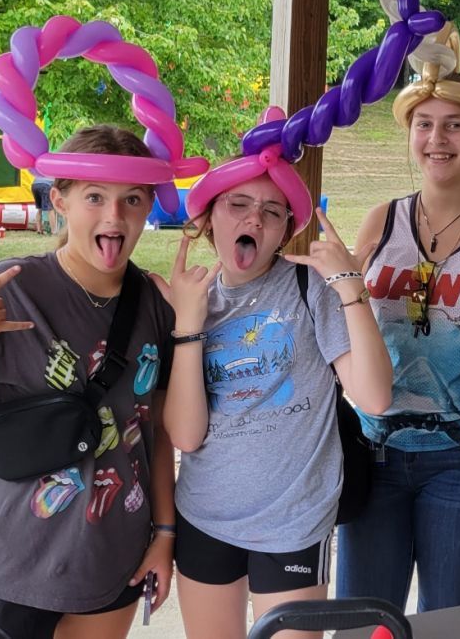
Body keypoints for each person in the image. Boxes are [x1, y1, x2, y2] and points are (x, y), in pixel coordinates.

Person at [0, 125, 179, 639]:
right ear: (59, 200)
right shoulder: (15, 287)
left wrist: (164, 534)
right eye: (94, 197)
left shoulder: (155, 305)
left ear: (150, 209)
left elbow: (158, 433)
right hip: (9, 560)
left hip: (111, 559)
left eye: (133, 200)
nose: (114, 217)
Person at [160, 130, 394, 639]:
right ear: (205, 219)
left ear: (288, 226)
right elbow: (185, 435)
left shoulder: (310, 287)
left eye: (272, 210)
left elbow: (375, 396)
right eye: (238, 204)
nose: (254, 219)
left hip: (294, 520)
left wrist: (350, 288)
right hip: (205, 516)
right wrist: (188, 326)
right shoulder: (188, 301)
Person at [337, 42, 460, 611]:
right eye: (424, 125)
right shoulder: (381, 220)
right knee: (363, 617)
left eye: (454, 126)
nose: (437, 140)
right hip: (376, 449)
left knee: (449, 617)